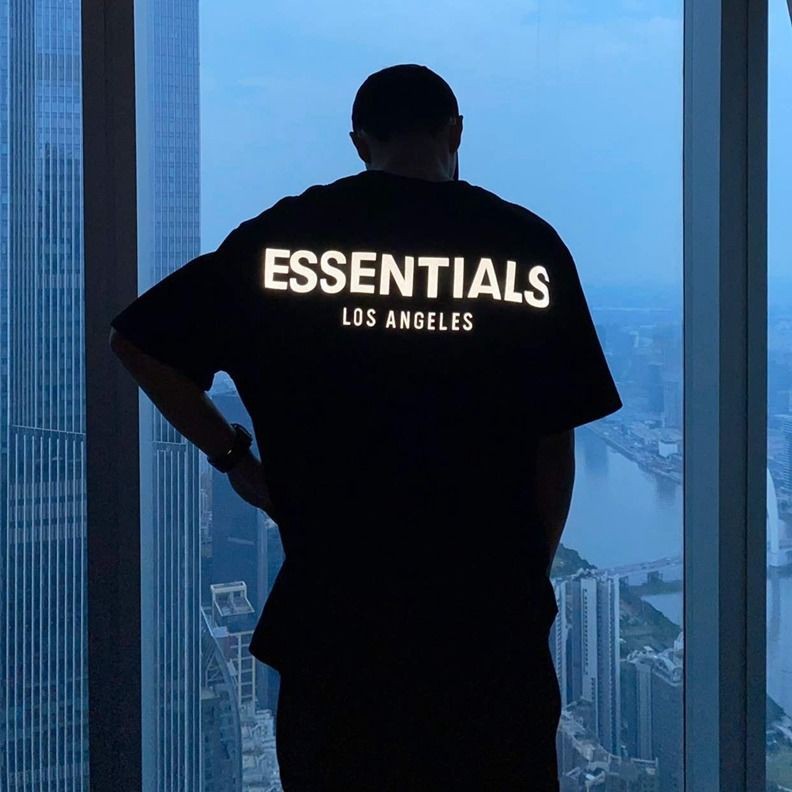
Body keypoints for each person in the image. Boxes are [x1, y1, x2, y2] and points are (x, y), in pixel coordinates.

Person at [109, 63, 622, 791]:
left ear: (359, 142)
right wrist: (523, 574)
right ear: (455, 133)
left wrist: (235, 460)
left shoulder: (280, 244)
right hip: (488, 629)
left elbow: (136, 342)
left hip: (336, 624)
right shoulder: (526, 248)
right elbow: (554, 449)